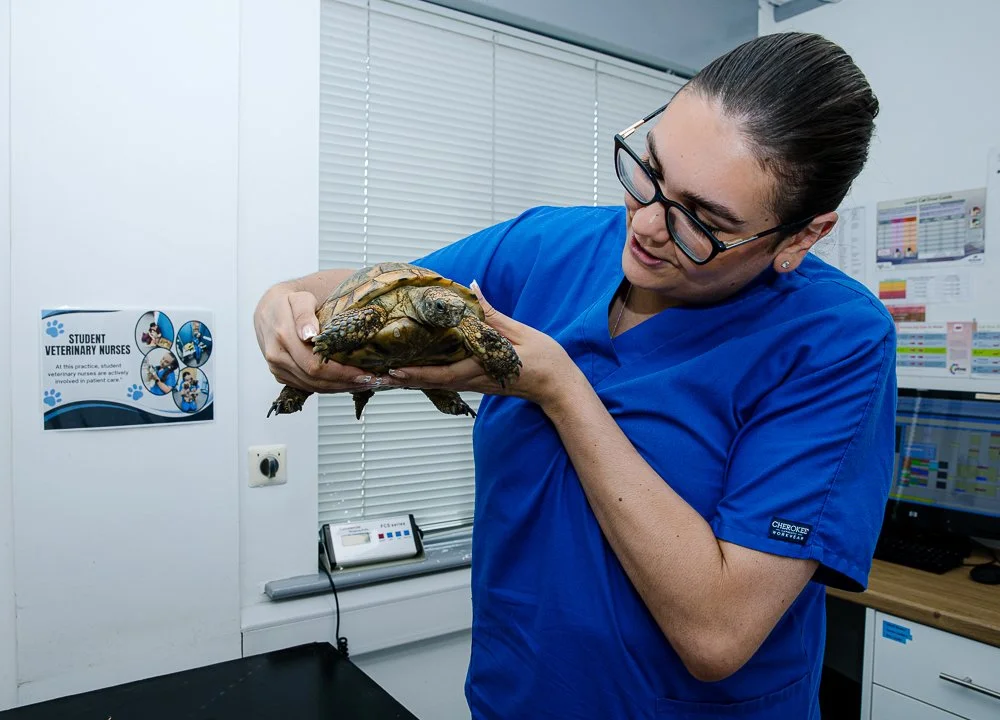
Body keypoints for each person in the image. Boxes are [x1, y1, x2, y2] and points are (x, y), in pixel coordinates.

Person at [254, 32, 896, 719]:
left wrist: (559, 388)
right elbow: (365, 288)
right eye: (648, 172)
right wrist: (280, 304)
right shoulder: (549, 247)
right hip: (516, 698)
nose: (648, 225)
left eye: (703, 220)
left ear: (802, 236)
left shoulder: (834, 341)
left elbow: (718, 633)